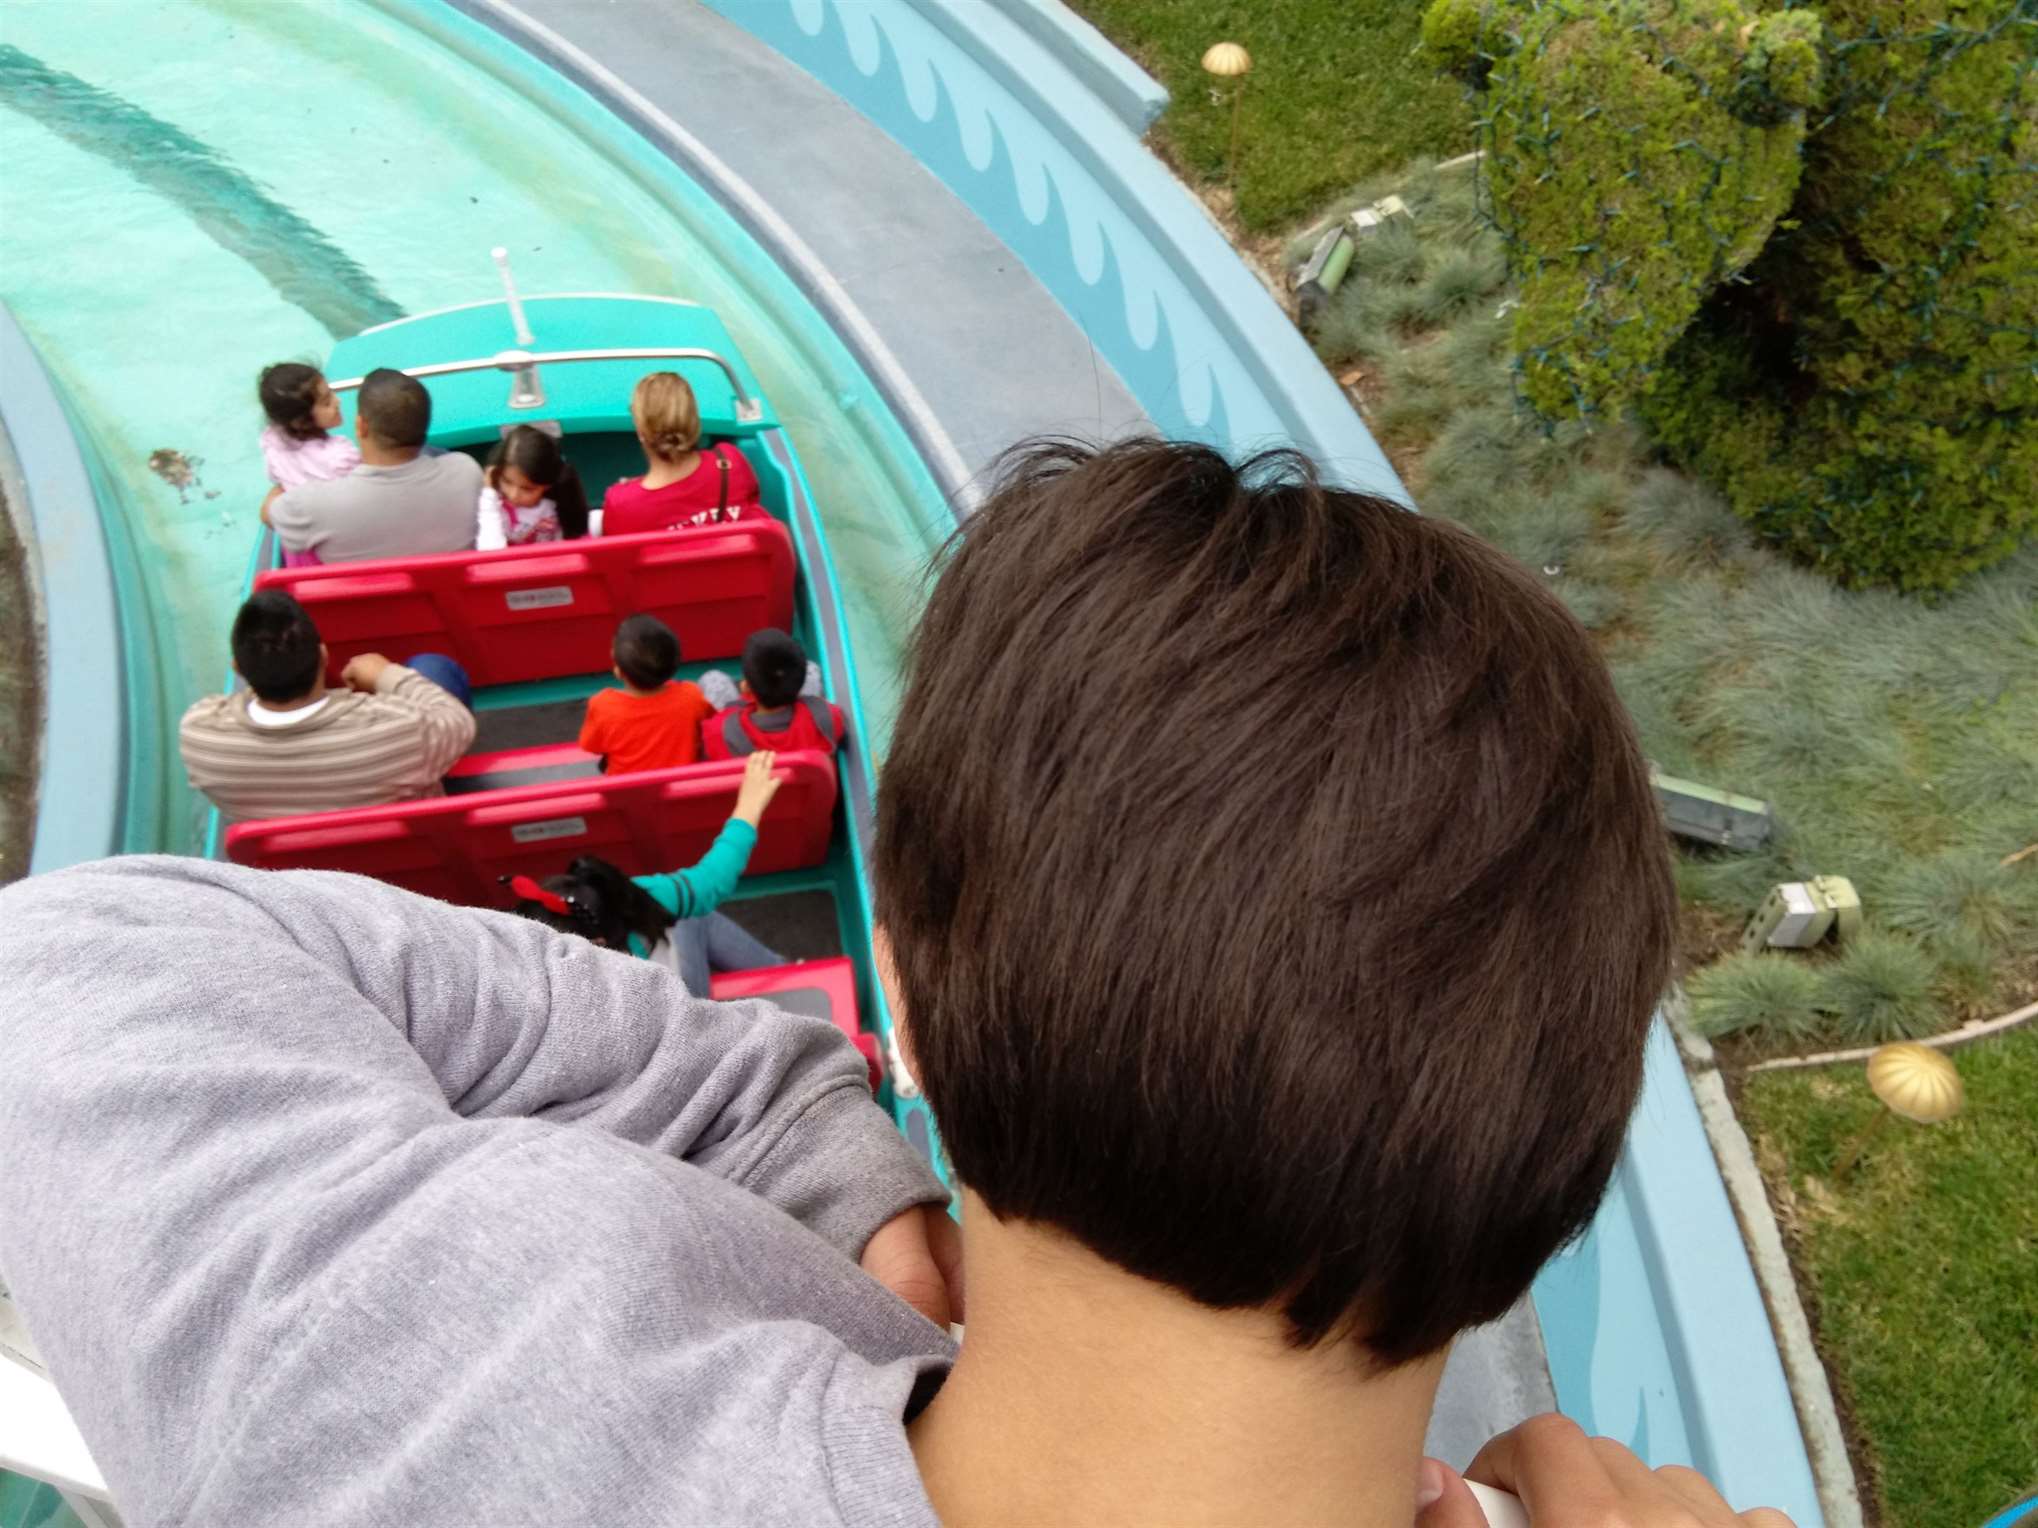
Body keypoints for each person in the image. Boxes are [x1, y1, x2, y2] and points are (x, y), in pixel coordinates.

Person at [0, 439, 1794, 1528]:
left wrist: (810, 1150)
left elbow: (70, 959)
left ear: (905, 1010)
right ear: (1562, 1148)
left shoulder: (436, 1367)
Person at [179, 589, 476, 822]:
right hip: (402, 849)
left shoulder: (199, 736)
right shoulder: (400, 728)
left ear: (238, 669)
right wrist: (385, 674)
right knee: (432, 667)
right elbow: (457, 720)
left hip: (294, 871)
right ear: (323, 655)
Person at [506, 750, 787, 994]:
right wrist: (749, 806)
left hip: (664, 1018)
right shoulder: (632, 902)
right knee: (690, 917)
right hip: (684, 1011)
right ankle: (785, 977)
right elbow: (711, 880)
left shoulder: (524, 977)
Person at [264, 367, 480, 562]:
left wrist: (282, 483)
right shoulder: (467, 471)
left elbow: (268, 513)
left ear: (361, 426)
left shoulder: (309, 506)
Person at [600, 370, 763, 536]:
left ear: (641, 432)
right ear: (693, 421)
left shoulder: (621, 503)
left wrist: (632, 489)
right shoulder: (729, 462)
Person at [577, 613, 716, 775]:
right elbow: (710, 724)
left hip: (629, 789)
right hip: (683, 785)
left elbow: (591, 746)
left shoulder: (602, 705)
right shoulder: (692, 695)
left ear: (619, 671)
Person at [256, 363, 360, 568]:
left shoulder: (271, 442)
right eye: (327, 401)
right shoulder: (341, 455)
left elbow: (275, 479)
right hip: (339, 549)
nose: (337, 401)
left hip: (300, 555)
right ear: (301, 422)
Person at [700, 626, 846, 760]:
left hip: (752, 777)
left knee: (712, 678)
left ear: (746, 686)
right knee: (812, 669)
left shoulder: (718, 733)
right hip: (809, 778)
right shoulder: (829, 717)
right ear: (800, 683)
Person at [475, 424, 591, 549]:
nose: (513, 495)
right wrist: (489, 495)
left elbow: (575, 538)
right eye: (507, 481)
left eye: (527, 489)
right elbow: (491, 553)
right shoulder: (492, 503)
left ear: (547, 485)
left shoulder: (561, 503)